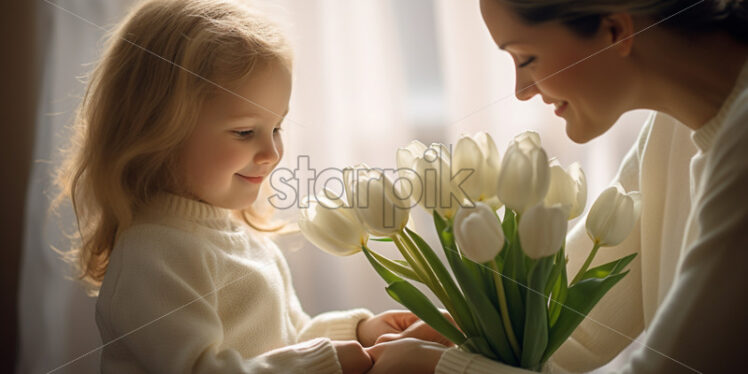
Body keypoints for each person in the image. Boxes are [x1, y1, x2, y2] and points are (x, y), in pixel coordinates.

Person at [55, 0, 447, 372]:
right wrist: (323, 364)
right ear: (157, 130)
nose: (272, 152)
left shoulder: (240, 238)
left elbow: (288, 341)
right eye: (245, 132)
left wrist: (359, 332)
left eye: (277, 127)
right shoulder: (154, 254)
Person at [365, 0, 748, 373]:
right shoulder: (678, 124)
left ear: (616, 30)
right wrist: (469, 331)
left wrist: (449, 369)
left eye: (526, 58)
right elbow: (569, 324)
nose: (521, 90)